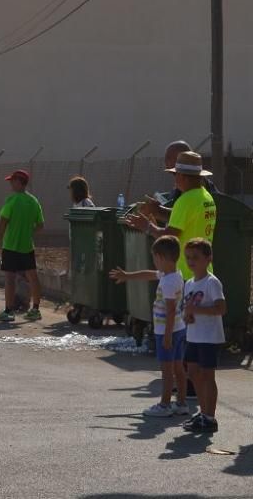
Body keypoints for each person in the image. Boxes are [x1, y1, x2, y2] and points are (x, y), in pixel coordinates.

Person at [109, 236, 188, 418]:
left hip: (166, 332)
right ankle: (181, 403)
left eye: (154, 258)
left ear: (161, 257)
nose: (154, 262)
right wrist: (128, 276)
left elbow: (169, 311)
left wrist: (166, 335)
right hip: (179, 328)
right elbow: (150, 274)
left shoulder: (168, 282)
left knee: (167, 370)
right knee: (178, 369)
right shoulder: (174, 275)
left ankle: (165, 404)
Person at [127, 151, 216, 280]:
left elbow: (170, 237)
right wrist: (157, 210)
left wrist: (147, 226)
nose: (174, 179)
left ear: (182, 176)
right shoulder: (206, 196)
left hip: (186, 274)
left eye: (175, 175)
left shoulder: (185, 201)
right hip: (203, 272)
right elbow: (182, 220)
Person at [180, 238, 226, 433]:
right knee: (192, 372)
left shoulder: (211, 282)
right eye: (188, 257)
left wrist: (197, 310)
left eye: (196, 257)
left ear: (208, 259)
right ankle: (203, 411)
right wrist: (187, 315)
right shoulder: (189, 283)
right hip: (194, 335)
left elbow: (220, 308)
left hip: (209, 336)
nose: (191, 261)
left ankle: (210, 417)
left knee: (208, 376)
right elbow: (187, 308)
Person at [0, 169, 44, 322]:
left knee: (9, 277)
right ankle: (35, 309)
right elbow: (41, 225)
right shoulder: (33, 201)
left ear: (18, 182)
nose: (10, 184)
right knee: (33, 277)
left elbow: (3, 222)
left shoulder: (12, 200)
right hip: (27, 246)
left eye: (12, 181)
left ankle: (9, 311)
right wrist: (27, 231)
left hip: (11, 246)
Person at [141, 141, 218, 224]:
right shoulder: (196, 189)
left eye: (169, 158)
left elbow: (183, 217)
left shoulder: (191, 190)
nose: (165, 161)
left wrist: (156, 212)